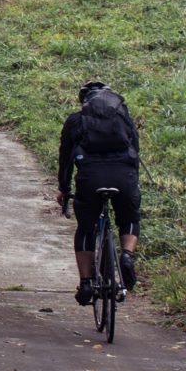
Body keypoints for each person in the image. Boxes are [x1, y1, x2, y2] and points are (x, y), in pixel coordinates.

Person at [57, 80, 140, 305]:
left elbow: (66, 159)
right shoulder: (124, 118)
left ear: (84, 101)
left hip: (90, 178)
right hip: (124, 175)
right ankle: (126, 255)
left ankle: (86, 283)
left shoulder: (76, 120)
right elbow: (135, 152)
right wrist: (133, 184)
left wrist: (64, 189)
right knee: (129, 219)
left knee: (85, 229)